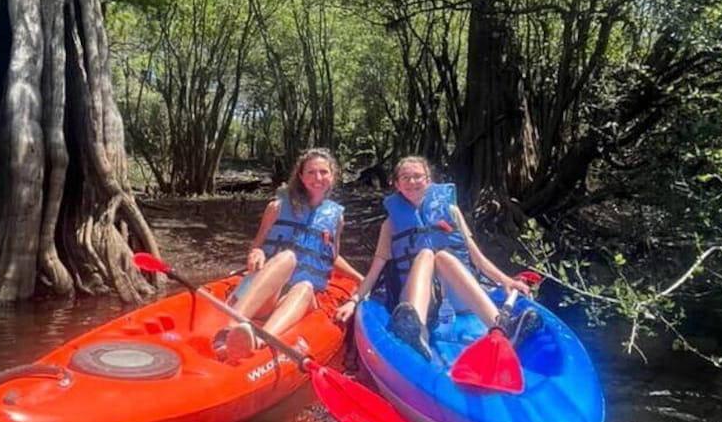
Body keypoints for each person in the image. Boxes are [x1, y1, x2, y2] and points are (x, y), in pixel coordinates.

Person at [334, 156, 536, 361]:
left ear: (428, 180)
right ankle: (416, 331)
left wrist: (507, 281)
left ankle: (501, 328)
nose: (412, 182)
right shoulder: (391, 223)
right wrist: (354, 300)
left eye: (417, 176)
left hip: (454, 299)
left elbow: (478, 259)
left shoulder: (451, 212)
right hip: (414, 302)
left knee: (443, 257)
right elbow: (376, 268)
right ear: (397, 184)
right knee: (426, 253)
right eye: (406, 178)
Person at [214, 148, 361, 362]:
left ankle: (260, 340)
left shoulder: (336, 218)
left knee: (306, 286)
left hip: (296, 298)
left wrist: (360, 279)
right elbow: (257, 246)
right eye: (310, 172)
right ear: (300, 176)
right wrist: (255, 253)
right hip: (268, 291)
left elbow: (331, 256)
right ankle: (229, 330)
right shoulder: (277, 206)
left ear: (332, 176)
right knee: (287, 257)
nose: (317, 178)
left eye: (323, 172)